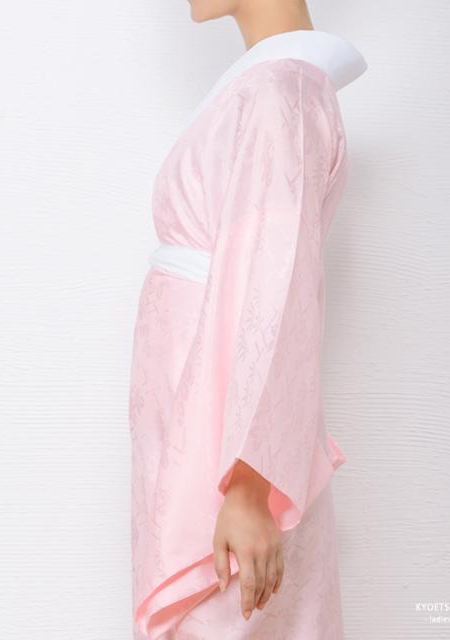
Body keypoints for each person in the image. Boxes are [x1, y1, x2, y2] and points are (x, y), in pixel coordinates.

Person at [128, 1, 368, 638]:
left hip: (223, 454)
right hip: (196, 428)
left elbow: (277, 282)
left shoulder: (278, 95)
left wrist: (251, 484)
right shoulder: (267, 90)